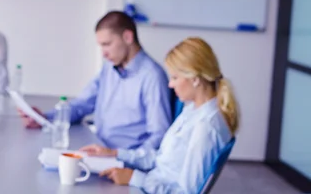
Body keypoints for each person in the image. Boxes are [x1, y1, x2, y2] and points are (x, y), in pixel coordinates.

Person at [82, 37, 239, 194]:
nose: (170, 84)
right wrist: (115, 153)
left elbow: (185, 192)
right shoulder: (192, 110)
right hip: (152, 183)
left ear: (195, 79)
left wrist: (135, 178)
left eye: (175, 77)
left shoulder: (206, 127)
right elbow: (161, 159)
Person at [20, 11, 171, 151]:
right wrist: (45, 118)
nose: (104, 53)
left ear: (127, 37)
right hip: (101, 150)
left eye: (107, 44)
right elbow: (82, 105)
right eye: (101, 46)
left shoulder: (152, 77)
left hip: (124, 161)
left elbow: (158, 136)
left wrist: (123, 159)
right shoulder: (110, 68)